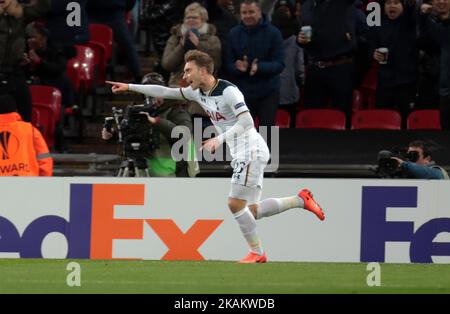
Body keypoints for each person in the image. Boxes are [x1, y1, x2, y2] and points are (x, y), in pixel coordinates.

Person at [106, 50, 325, 263]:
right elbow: (165, 92)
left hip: (251, 151)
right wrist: (129, 87)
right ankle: (300, 200)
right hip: (243, 152)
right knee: (250, 211)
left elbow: (247, 122)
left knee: (234, 204)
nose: (184, 76)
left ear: (203, 71)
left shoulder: (229, 91)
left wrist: (218, 140)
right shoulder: (196, 93)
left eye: (188, 70)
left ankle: (257, 253)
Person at [102, 72, 199, 177]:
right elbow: (133, 135)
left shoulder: (176, 110)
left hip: (171, 170)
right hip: (143, 167)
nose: (152, 97)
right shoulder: (140, 111)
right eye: (147, 93)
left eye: (155, 92)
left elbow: (184, 134)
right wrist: (113, 135)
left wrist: (156, 121)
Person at [225, 0, 284, 129]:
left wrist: (259, 68)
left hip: (268, 91)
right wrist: (237, 67)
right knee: (244, 132)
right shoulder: (233, 34)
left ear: (259, 12)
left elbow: (280, 64)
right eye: (244, 12)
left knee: (268, 133)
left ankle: (269, 151)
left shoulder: (274, 33)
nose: (247, 16)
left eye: (251, 12)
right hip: (242, 93)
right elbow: (228, 65)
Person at [0, 0, 51, 122]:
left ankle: (25, 139)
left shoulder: (20, 13)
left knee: (25, 113)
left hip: (15, 71)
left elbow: (43, 7)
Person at [161, 2, 222, 87]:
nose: (191, 20)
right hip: (177, 84)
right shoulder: (175, 37)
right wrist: (181, 46)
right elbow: (167, 64)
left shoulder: (212, 39)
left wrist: (198, 45)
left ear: (203, 19)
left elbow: (215, 64)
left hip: (203, 85)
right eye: (188, 17)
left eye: (195, 17)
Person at [0, 94, 53, 176]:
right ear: (15, 110)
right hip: (27, 184)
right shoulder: (30, 130)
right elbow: (44, 159)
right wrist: (43, 182)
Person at [420, 1, 450, 130]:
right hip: (445, 91)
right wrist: (423, 16)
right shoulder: (440, 28)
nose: (442, 1)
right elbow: (427, 39)